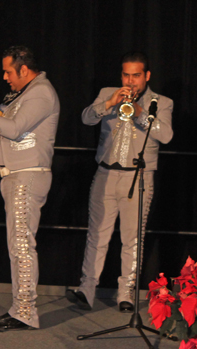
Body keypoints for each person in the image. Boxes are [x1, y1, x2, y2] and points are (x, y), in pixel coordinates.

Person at [0, 46, 59, 331]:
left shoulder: (41, 92)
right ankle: (19, 308)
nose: (4, 77)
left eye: (8, 71)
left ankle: (26, 311)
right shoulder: (22, 96)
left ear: (24, 70)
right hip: (16, 176)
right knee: (17, 246)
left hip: (27, 175)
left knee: (22, 246)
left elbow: (13, 129)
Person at [66, 51, 173, 312]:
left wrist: (140, 112)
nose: (130, 80)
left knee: (132, 239)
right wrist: (109, 103)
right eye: (126, 74)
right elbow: (86, 118)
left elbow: (166, 135)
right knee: (96, 235)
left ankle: (126, 294)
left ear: (146, 76)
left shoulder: (162, 102)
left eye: (136, 75)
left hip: (138, 176)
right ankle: (87, 291)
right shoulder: (108, 92)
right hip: (105, 172)